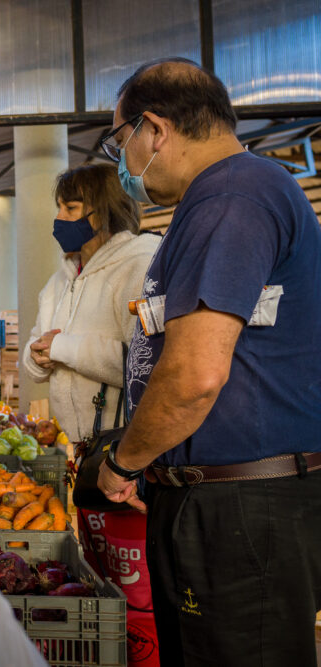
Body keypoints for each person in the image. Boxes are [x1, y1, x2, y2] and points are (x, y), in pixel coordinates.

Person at [97, 58, 321, 667]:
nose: (122, 164)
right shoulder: (238, 193)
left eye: (121, 142)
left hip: (242, 514)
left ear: (154, 129)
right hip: (234, 503)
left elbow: (196, 375)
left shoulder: (230, 197)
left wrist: (125, 462)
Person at [22, 163, 161, 667]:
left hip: (131, 455)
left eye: (71, 208)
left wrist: (66, 346)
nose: (59, 218)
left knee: (137, 586)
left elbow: (146, 359)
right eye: (60, 207)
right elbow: (39, 352)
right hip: (85, 454)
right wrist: (37, 357)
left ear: (101, 212)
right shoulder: (59, 279)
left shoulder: (143, 263)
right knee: (103, 580)